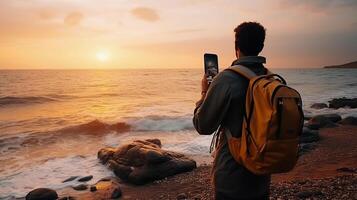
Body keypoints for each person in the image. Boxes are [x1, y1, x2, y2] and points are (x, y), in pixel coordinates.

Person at [193, 22, 270, 200]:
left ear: (236, 46)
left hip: (232, 174)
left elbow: (202, 125)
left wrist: (205, 92)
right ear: (261, 46)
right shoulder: (269, 78)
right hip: (262, 170)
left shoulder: (227, 79)